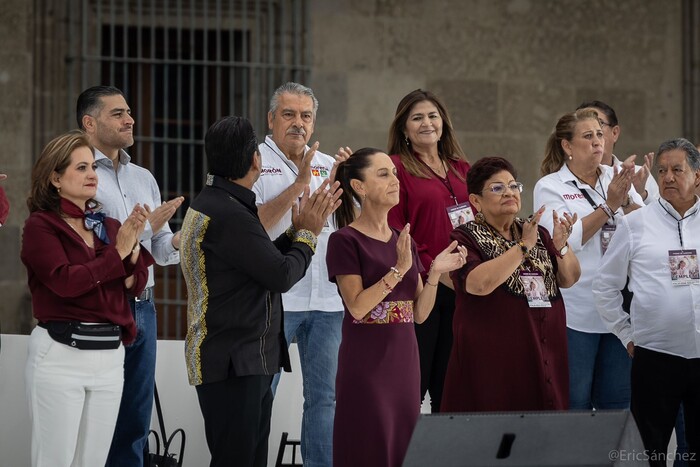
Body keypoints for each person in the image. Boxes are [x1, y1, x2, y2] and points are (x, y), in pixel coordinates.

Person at [179, 116, 342, 467]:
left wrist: (295, 231)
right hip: (235, 360)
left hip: (237, 357)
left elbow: (258, 259)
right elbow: (281, 275)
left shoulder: (220, 202)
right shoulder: (230, 213)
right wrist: (309, 234)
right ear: (256, 160)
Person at [20, 130, 153, 467]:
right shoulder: (41, 226)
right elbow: (66, 282)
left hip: (109, 357)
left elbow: (133, 286)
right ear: (55, 178)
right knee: (54, 460)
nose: (92, 174)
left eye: (92, 166)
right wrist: (118, 255)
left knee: (93, 461)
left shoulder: (105, 224)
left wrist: (133, 252)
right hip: (61, 354)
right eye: (80, 168)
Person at [326, 148, 466, 467]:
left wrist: (434, 274)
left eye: (394, 172)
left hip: (405, 363)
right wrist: (400, 269)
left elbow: (419, 313)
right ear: (359, 187)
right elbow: (358, 307)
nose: (395, 179)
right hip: (367, 364)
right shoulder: (345, 241)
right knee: (369, 444)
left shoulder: (403, 240)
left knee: (402, 448)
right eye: (383, 173)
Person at [76, 85, 184, 467]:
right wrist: (147, 229)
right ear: (90, 122)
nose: (130, 119)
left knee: (135, 422)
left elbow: (159, 251)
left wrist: (182, 239)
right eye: (118, 113)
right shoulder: (78, 176)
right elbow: (92, 247)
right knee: (96, 419)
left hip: (145, 310)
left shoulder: (143, 177)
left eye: (129, 112)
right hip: (102, 308)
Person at [441, 157, 580, 412]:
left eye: (513, 186)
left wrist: (561, 245)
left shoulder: (536, 231)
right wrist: (523, 247)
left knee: (544, 434)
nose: (509, 193)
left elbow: (569, 279)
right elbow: (478, 284)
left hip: (545, 352)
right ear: (475, 201)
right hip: (494, 363)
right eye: (497, 188)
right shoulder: (464, 237)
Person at [593, 138, 700, 467]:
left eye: (677, 170)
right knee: (646, 453)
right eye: (662, 170)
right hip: (654, 357)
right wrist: (626, 334)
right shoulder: (634, 224)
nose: (667, 177)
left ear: (697, 176)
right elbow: (605, 287)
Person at [252, 82, 343, 466]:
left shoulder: (327, 163)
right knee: (260, 394)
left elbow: (341, 227)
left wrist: (355, 185)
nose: (298, 124)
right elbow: (250, 226)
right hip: (276, 300)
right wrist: (300, 185)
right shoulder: (252, 160)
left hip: (327, 300)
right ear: (271, 119)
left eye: (306, 116)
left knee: (325, 398)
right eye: (288, 115)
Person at [533, 108, 644, 411]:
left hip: (620, 312)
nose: (598, 142)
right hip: (576, 314)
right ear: (567, 146)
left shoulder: (615, 177)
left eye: (599, 134)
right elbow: (565, 242)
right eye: (588, 136)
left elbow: (643, 226)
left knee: (618, 404)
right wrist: (610, 206)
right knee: (574, 403)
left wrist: (623, 204)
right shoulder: (550, 186)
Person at [387, 89, 471, 412]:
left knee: (449, 391)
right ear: (404, 128)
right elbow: (397, 231)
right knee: (413, 388)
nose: (427, 123)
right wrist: (435, 270)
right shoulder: (396, 168)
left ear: (443, 122)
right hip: (422, 289)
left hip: (463, 292)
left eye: (432, 116)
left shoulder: (463, 169)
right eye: (417, 117)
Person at [577, 100, 658, 204]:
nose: (594, 134)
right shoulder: (563, 179)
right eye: (585, 129)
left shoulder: (639, 174)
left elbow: (663, 218)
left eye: (599, 123)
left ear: (614, 133)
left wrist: (640, 193)